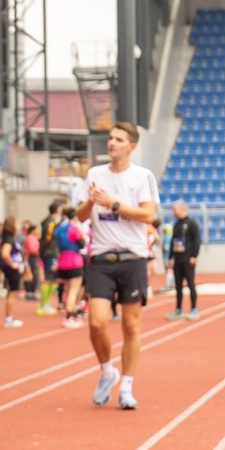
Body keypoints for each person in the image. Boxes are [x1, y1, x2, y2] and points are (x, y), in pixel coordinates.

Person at [75, 122, 159, 409]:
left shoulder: (142, 176)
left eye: (119, 139)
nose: (112, 143)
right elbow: (81, 217)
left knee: (130, 325)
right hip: (101, 258)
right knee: (97, 322)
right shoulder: (94, 174)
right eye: (111, 138)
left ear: (131, 146)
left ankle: (127, 385)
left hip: (132, 258)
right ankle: (107, 371)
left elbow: (148, 215)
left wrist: (113, 204)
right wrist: (91, 202)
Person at [166, 200, 201, 320]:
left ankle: (193, 309)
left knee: (190, 284)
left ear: (181, 209)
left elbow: (197, 240)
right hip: (178, 259)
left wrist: (194, 255)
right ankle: (178, 309)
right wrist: (170, 257)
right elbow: (173, 242)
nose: (173, 212)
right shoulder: (176, 225)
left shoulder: (191, 223)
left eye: (174, 210)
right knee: (178, 285)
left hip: (188, 259)